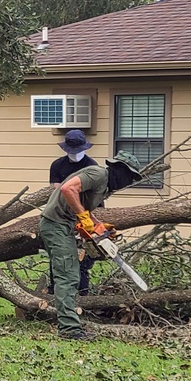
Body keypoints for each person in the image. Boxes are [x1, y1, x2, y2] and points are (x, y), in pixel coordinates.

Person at [38, 150, 144, 341]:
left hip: (65, 225)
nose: (128, 182)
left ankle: (71, 324)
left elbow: (83, 207)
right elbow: (67, 189)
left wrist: (97, 225)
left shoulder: (105, 187)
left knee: (72, 274)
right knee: (67, 275)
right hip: (55, 224)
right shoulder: (97, 174)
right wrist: (83, 216)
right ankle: (69, 330)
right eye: (129, 177)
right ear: (119, 170)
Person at [47, 130, 98, 295]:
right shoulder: (57, 165)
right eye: (71, 151)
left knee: (83, 259)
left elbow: (93, 196)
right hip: (61, 215)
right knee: (58, 257)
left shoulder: (92, 166)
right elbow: (57, 192)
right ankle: (54, 292)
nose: (74, 155)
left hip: (84, 213)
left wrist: (85, 216)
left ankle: (83, 294)